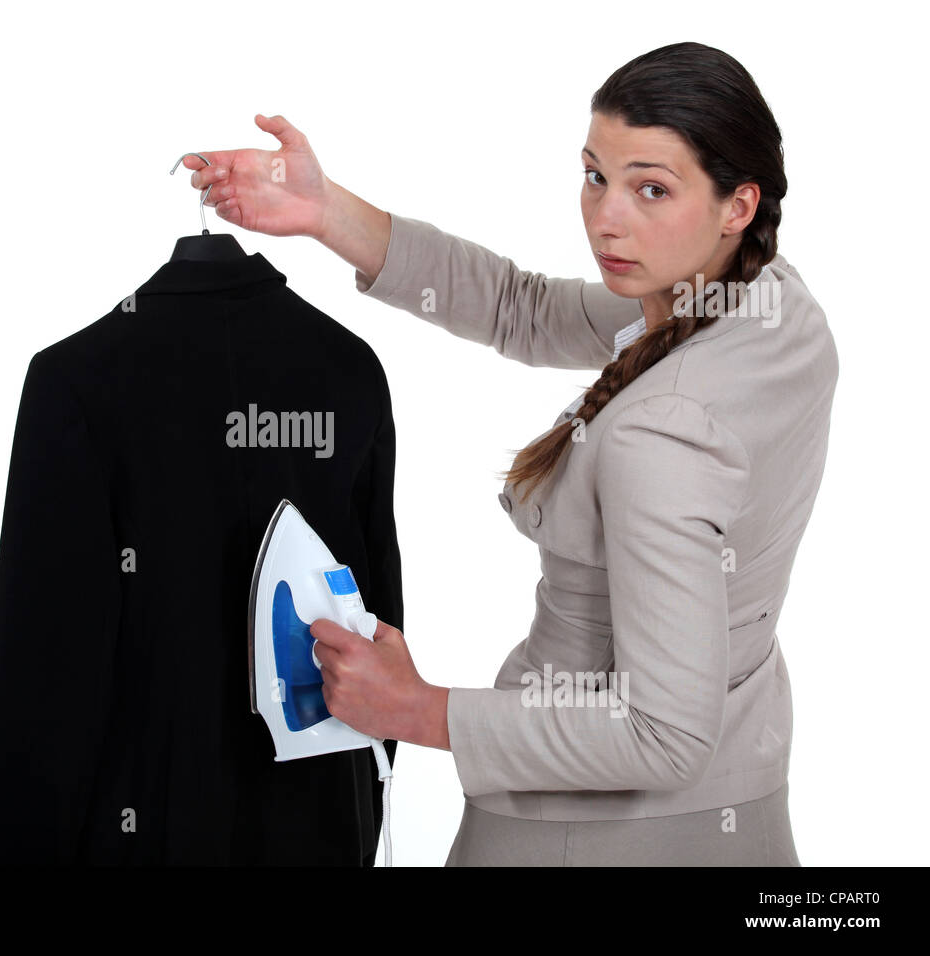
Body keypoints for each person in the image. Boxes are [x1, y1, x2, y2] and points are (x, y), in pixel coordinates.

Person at [181, 40, 836, 866]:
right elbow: (524, 311)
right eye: (596, 174)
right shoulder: (773, 307)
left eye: (652, 190)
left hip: (580, 831)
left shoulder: (658, 436)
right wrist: (325, 211)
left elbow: (665, 735)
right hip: (742, 815)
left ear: (737, 204)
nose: (607, 217)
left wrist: (417, 710)